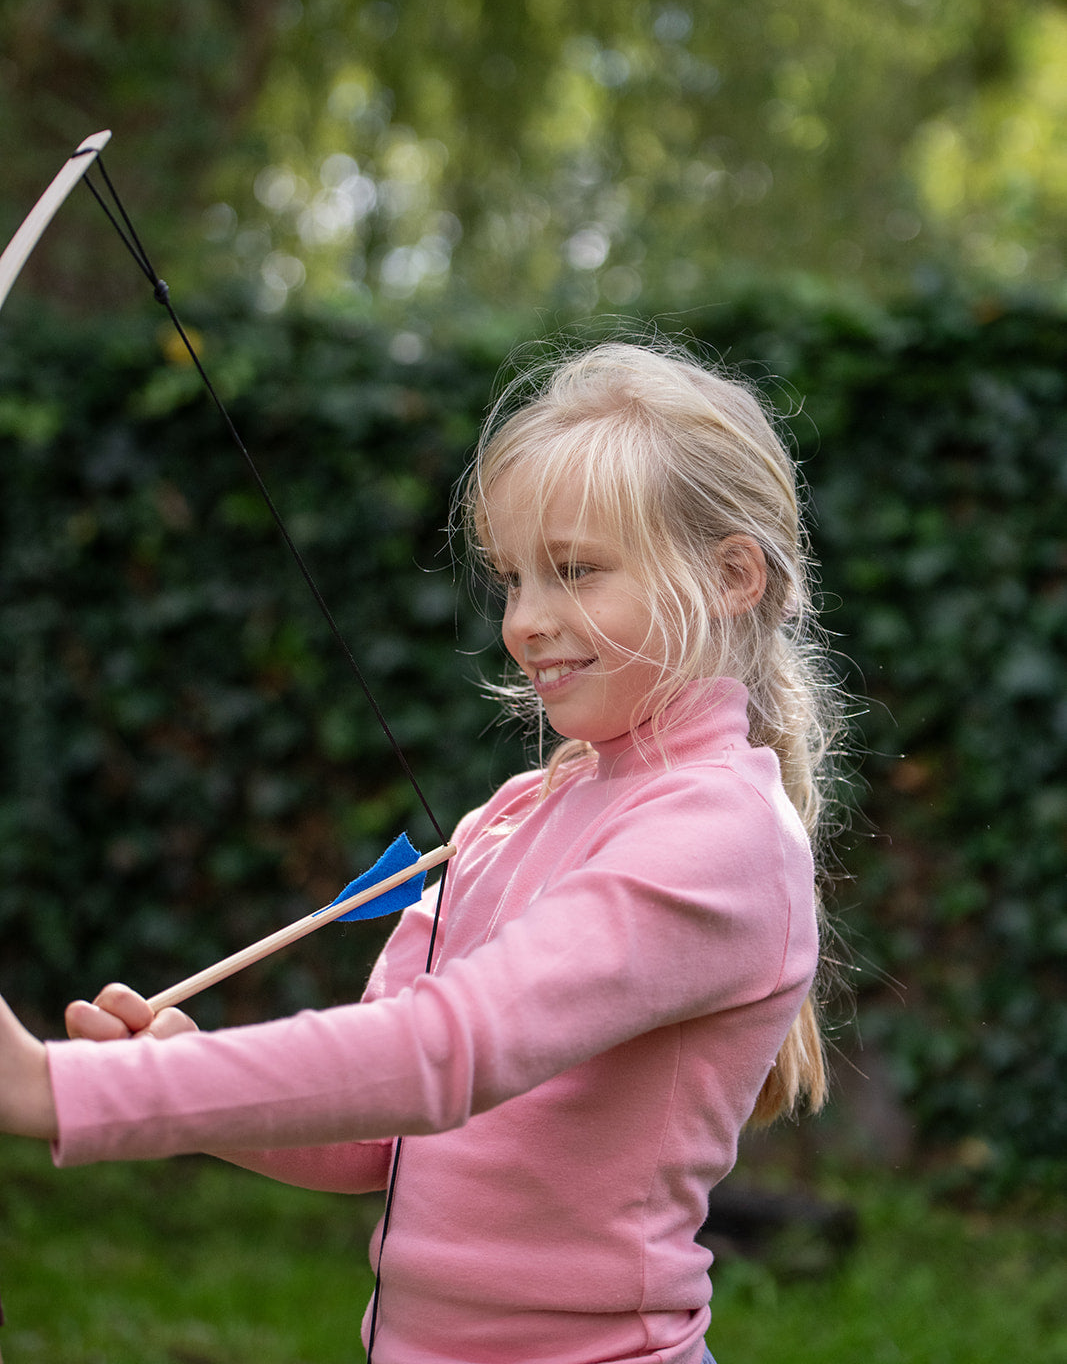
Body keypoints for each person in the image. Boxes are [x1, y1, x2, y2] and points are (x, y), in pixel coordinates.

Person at [0, 339, 840, 1364]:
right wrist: (182, 1083)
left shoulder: (718, 835)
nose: (526, 622)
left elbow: (443, 1051)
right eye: (512, 578)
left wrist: (57, 1089)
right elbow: (379, 1136)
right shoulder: (521, 809)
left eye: (574, 570)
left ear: (729, 576)